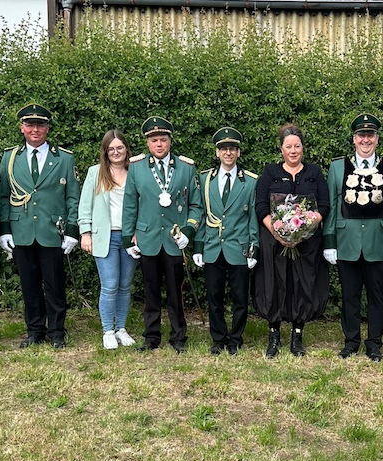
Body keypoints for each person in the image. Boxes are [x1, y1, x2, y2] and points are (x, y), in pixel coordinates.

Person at [0, 103, 80, 349]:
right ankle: (34, 330)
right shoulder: (9, 158)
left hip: (53, 231)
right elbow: (3, 196)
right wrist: (4, 230)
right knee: (29, 284)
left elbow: (73, 198)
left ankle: (56, 331)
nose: (35, 129)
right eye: (30, 124)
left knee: (55, 284)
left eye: (40, 125)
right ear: (22, 128)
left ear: (47, 128)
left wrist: (73, 232)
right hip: (22, 230)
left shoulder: (64, 158)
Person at [323, 113, 383, 362]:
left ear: (377, 139)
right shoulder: (337, 167)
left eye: (370, 135)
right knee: (350, 295)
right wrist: (329, 242)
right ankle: (351, 341)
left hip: (378, 243)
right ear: (354, 139)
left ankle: (375, 343)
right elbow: (332, 207)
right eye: (361, 135)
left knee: (377, 295)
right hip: (347, 243)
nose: (365, 140)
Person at [122, 116, 203, 353]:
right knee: (151, 290)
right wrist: (128, 237)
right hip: (147, 239)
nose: (159, 145)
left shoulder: (186, 168)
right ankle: (151, 336)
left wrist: (188, 231)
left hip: (174, 240)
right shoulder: (136, 168)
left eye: (163, 140)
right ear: (147, 143)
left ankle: (178, 337)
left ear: (170, 141)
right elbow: (130, 205)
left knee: (176, 292)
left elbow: (196, 206)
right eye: (154, 140)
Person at [255, 124, 330, 358]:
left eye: (297, 146)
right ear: (281, 149)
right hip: (275, 243)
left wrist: (305, 227)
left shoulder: (314, 172)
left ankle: (297, 335)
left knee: (302, 285)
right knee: (274, 286)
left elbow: (325, 205)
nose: (293, 150)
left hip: (306, 243)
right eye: (289, 146)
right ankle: (274, 335)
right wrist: (277, 230)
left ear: (303, 148)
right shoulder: (270, 172)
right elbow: (261, 207)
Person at [193, 127, 259, 355]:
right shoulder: (205, 178)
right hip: (213, 247)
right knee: (215, 297)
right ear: (217, 152)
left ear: (238, 153)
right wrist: (198, 246)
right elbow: (201, 214)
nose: (228, 153)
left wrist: (254, 248)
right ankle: (219, 338)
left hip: (239, 248)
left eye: (232, 149)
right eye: (224, 149)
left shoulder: (250, 181)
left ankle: (236, 338)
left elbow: (252, 217)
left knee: (240, 297)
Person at [79, 129, 139, 350]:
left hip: (129, 237)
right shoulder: (95, 173)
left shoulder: (135, 171)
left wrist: (138, 232)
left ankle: (121, 328)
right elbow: (85, 205)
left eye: (119, 148)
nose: (116, 152)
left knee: (125, 285)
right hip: (104, 236)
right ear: (105, 151)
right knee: (110, 284)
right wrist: (85, 233)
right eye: (111, 149)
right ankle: (107, 331)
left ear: (126, 149)